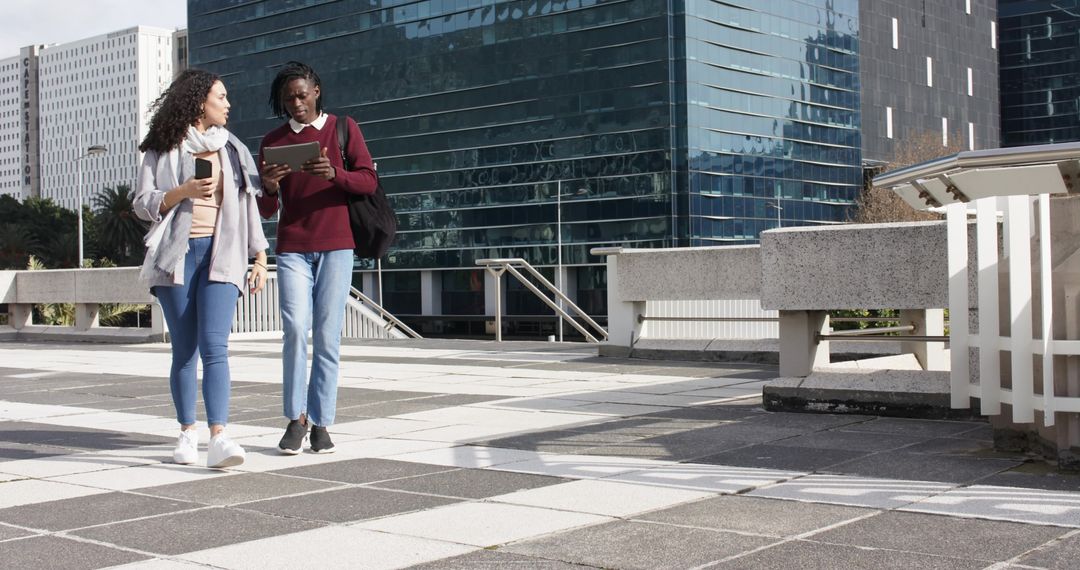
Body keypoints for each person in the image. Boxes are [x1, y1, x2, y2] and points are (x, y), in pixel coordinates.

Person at [133, 69, 270, 469]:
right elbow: (141, 203)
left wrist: (260, 257)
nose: (228, 105)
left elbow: (248, 208)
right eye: (221, 97)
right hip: (176, 256)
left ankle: (220, 437)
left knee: (216, 347)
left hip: (222, 254)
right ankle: (187, 433)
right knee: (184, 350)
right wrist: (184, 192)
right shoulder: (160, 148)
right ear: (199, 103)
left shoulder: (233, 149)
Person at [258, 61, 378, 454]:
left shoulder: (343, 129)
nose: (296, 103)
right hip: (292, 245)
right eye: (288, 97)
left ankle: (322, 423)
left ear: (317, 90)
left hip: (338, 245)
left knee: (327, 336)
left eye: (302, 94)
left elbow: (368, 180)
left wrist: (334, 174)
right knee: (294, 328)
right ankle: (296, 418)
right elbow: (265, 209)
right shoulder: (273, 141)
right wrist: (270, 187)